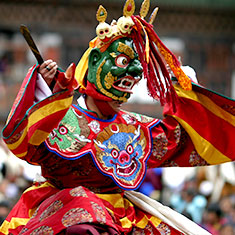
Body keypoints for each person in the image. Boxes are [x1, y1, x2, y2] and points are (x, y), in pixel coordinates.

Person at [0, 0, 234, 234]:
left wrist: (182, 91)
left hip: (119, 216)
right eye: (122, 61)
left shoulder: (136, 128)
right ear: (93, 64)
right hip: (61, 213)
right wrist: (47, 94)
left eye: (136, 66)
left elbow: (183, 139)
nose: (133, 72)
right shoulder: (59, 118)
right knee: (82, 223)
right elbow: (22, 144)